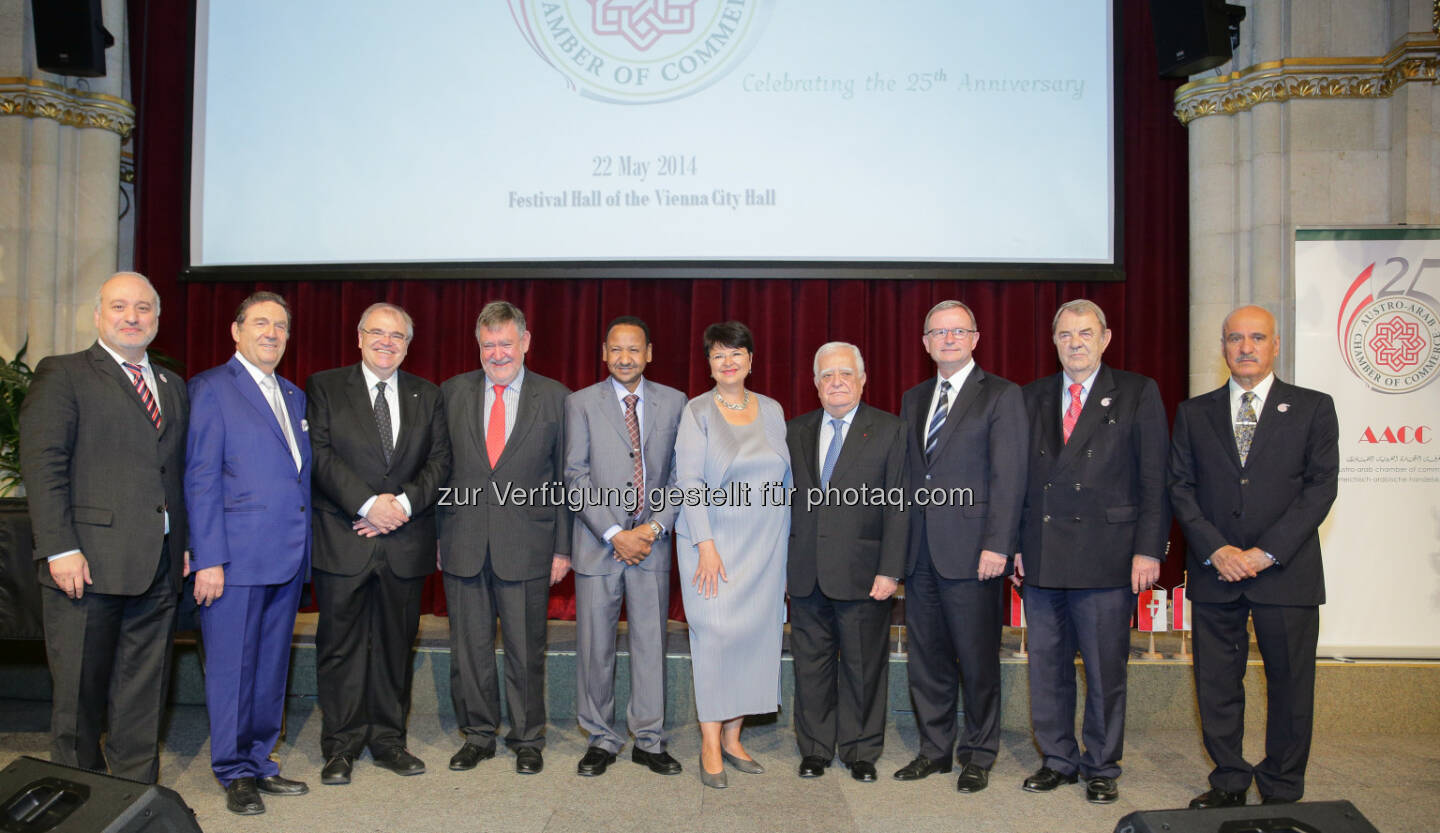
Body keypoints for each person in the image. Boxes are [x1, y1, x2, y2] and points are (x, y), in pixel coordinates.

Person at [19, 272, 187, 784]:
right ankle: (79, 798)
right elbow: (43, 464)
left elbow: (174, 474)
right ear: (98, 315)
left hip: (157, 567)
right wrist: (59, 547)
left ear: (157, 320)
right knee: (78, 698)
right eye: (119, 306)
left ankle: (135, 794)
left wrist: (184, 545)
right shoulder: (63, 373)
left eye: (143, 308)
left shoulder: (172, 386)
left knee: (143, 692)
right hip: (85, 563)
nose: (131, 317)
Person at [1169, 305, 1338, 808]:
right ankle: (1229, 780)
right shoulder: (1193, 412)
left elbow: (1320, 488)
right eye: (1235, 338)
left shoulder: (1312, 407)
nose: (1246, 347)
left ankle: (1282, 786)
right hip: (1215, 569)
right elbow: (1180, 487)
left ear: (1275, 345)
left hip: (1285, 573)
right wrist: (1217, 548)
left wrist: (1265, 553)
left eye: (1257, 338)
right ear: (1222, 347)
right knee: (1217, 685)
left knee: (1290, 686)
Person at [1014, 299, 1170, 804]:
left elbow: (1154, 478)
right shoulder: (1032, 396)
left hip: (1109, 556)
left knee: (1105, 670)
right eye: (1064, 335)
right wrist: (1015, 545)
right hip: (1042, 555)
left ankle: (1101, 764)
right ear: (1053, 341)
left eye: (1084, 333)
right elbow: (1018, 481)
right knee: (1048, 667)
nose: (1075, 343)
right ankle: (1057, 759)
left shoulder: (1136, 392)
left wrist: (1149, 550)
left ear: (1105, 338)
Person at [306, 302, 451, 785]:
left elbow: (440, 462)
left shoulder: (428, 395)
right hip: (343, 540)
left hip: (404, 543)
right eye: (378, 333)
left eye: (398, 337)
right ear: (359, 337)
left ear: (408, 345)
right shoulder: (325, 386)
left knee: (394, 647)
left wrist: (401, 507)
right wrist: (369, 505)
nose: (387, 343)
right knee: (340, 648)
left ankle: (388, 741)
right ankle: (341, 746)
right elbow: (320, 456)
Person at [185, 291, 312, 815]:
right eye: (260, 323)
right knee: (232, 669)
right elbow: (200, 477)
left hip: (285, 558)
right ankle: (233, 770)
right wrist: (208, 556)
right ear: (235, 331)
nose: (271, 333)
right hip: (233, 562)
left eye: (280, 326)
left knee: (269, 669)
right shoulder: (212, 388)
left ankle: (260, 760)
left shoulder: (293, 395)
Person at [894, 300, 1026, 793]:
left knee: (976, 660)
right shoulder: (913, 398)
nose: (948, 339)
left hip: (975, 555)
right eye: (938, 332)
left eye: (958, 331)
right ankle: (934, 751)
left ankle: (978, 753)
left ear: (976, 338)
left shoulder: (1002, 396)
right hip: (921, 553)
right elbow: (910, 477)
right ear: (925, 343)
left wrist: (999, 544)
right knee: (926, 659)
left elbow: (1009, 476)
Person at [439, 301, 572, 776]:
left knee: (525, 648)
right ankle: (477, 736)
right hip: (464, 542)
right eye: (488, 344)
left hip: (529, 547)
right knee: (468, 650)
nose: (497, 353)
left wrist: (563, 547)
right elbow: (439, 470)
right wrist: (438, 537)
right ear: (479, 346)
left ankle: (527, 737)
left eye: (506, 343)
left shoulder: (556, 398)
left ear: (526, 342)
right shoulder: (451, 393)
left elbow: (566, 479)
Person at [563, 316, 685, 777]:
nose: (625, 358)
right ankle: (600, 738)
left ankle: (649, 739)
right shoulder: (579, 404)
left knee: (650, 644)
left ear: (649, 353)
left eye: (634, 349)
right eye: (616, 349)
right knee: (595, 647)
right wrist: (615, 533)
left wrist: (651, 530)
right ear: (604, 352)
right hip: (600, 545)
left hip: (651, 545)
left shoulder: (675, 403)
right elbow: (574, 477)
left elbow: (681, 477)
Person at [674, 321, 790, 789]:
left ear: (750, 360)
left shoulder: (773, 410)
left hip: (765, 545)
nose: (728, 362)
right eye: (719, 354)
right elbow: (690, 482)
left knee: (755, 638)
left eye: (736, 353)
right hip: (714, 546)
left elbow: (786, 480)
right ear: (709, 363)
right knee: (717, 637)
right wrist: (704, 545)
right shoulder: (697, 411)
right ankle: (709, 740)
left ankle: (734, 738)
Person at [785, 342, 906, 783]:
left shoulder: (891, 430)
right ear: (815, 384)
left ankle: (860, 751)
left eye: (845, 375)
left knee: (862, 666)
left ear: (862, 380)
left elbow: (899, 505)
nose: (836, 383)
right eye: (826, 376)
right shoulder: (794, 430)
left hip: (864, 573)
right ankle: (814, 748)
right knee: (810, 666)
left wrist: (890, 569)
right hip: (805, 572)